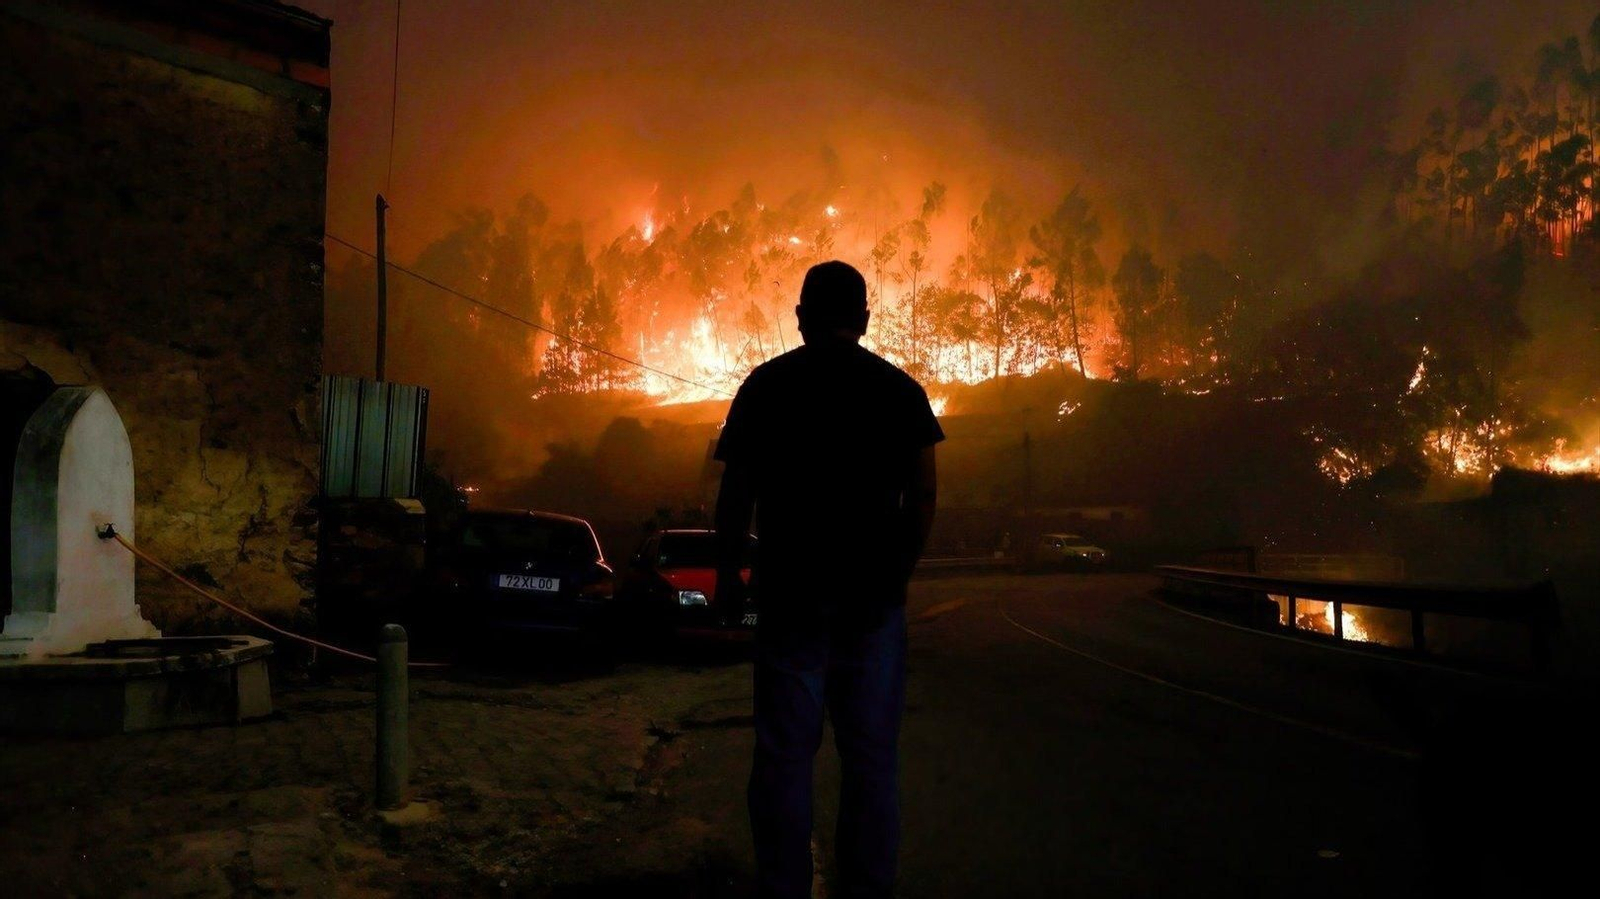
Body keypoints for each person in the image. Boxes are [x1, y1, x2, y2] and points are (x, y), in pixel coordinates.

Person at [714, 260, 943, 898]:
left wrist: (732, 576)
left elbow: (736, 495)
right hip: (871, 604)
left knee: (785, 757)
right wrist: (898, 573)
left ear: (801, 317)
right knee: (870, 761)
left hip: (790, 597)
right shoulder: (901, 392)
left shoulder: (765, 387)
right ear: (865, 319)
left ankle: (784, 886)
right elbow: (922, 497)